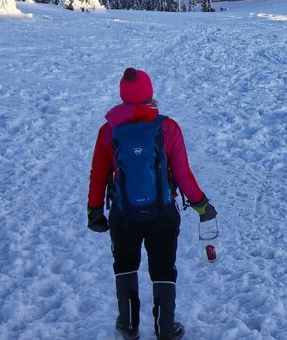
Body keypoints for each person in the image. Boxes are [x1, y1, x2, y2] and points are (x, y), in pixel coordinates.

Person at [87, 68, 217, 340]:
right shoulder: (168, 128)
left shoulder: (108, 131)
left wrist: (95, 211)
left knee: (125, 264)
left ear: (123, 95)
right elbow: (182, 173)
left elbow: (98, 174)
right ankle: (165, 328)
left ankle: (128, 325)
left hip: (124, 214)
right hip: (162, 213)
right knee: (163, 266)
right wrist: (202, 205)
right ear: (149, 93)